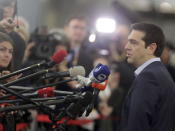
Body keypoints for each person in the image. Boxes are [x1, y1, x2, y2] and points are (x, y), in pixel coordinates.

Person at [120, 22, 175, 131]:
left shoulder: (149, 77)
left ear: (151, 48)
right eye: (128, 41)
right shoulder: (159, 72)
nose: (126, 47)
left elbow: (137, 126)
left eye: (133, 42)